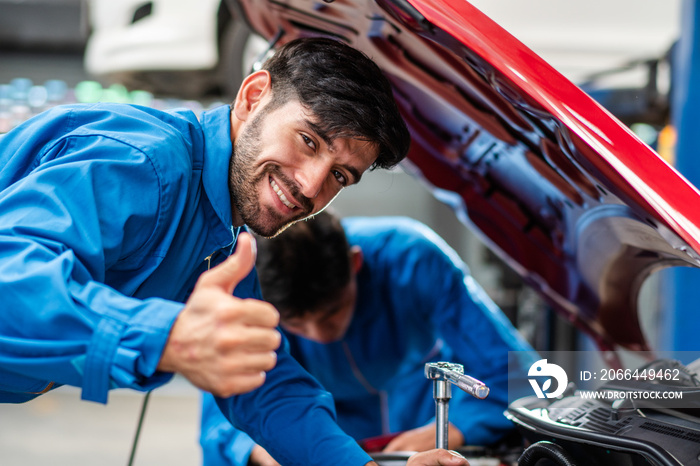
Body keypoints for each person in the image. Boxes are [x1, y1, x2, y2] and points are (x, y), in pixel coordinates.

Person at [0, 37, 468, 466]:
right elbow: (10, 281)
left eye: (340, 176)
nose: (310, 185)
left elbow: (264, 384)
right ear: (252, 96)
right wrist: (166, 338)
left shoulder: (220, 231)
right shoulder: (145, 163)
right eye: (308, 140)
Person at [200, 211, 537, 465]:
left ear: (356, 263)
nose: (320, 336)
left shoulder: (412, 258)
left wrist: (450, 430)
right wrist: (265, 450)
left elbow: (515, 371)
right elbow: (224, 412)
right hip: (311, 425)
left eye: (332, 313)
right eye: (297, 325)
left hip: (421, 421)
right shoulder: (249, 292)